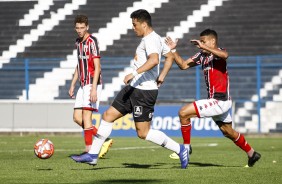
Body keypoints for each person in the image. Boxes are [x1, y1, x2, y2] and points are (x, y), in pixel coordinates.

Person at [71, 9, 189, 169]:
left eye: (135, 25)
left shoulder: (150, 40)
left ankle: (180, 149)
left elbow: (154, 60)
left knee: (143, 133)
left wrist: (134, 72)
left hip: (144, 92)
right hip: (133, 88)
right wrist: (162, 76)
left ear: (144, 24)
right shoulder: (156, 39)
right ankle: (93, 155)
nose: (133, 28)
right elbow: (169, 56)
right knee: (107, 116)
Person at [164, 29, 261, 167]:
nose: (200, 44)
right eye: (201, 41)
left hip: (219, 100)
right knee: (228, 132)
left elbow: (225, 55)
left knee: (183, 113)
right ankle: (252, 154)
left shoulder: (218, 53)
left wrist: (204, 47)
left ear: (212, 41)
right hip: (218, 102)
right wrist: (173, 51)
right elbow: (183, 65)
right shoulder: (201, 55)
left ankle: (186, 148)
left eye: (203, 41)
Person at [68, 14, 113, 158]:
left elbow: (97, 67)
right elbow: (79, 65)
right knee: (77, 117)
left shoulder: (92, 41)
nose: (80, 30)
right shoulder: (78, 42)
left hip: (93, 83)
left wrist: (94, 88)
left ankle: (89, 151)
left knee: (87, 116)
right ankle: (104, 140)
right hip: (82, 84)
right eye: (77, 28)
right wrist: (73, 84)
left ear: (87, 27)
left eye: (82, 28)